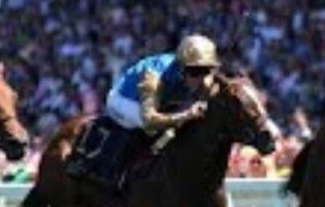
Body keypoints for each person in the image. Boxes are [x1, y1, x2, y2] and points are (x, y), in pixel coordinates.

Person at [67, 34, 218, 188]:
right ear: (181, 68)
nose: (201, 79)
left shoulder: (201, 77)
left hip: (159, 101)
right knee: (154, 129)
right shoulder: (154, 74)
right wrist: (187, 115)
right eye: (195, 72)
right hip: (125, 100)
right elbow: (150, 120)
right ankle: (98, 164)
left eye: (206, 71)